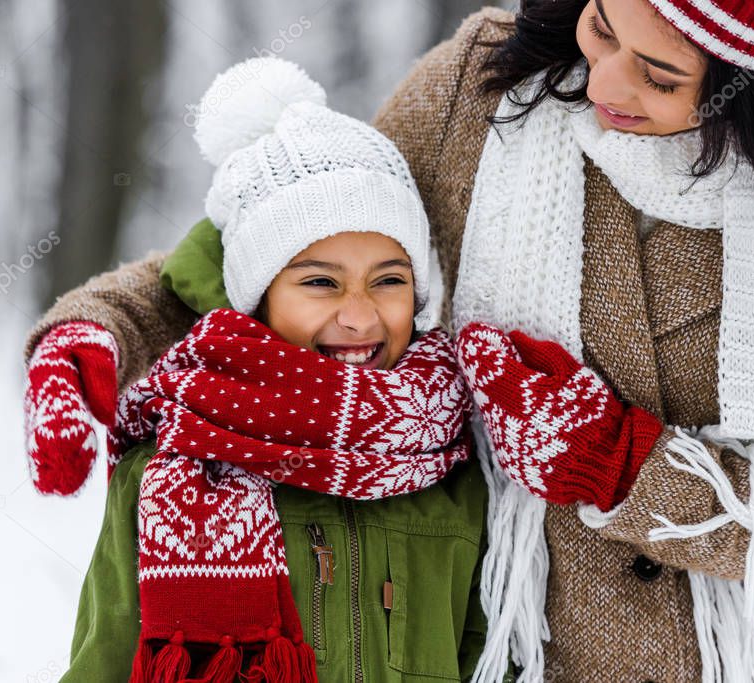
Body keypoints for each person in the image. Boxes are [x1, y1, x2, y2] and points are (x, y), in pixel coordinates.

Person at [24, 1, 754, 680]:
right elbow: (292, 238)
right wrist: (96, 332)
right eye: (599, 27)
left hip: (728, 664)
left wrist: (618, 465)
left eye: (660, 75)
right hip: (493, 648)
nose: (603, 84)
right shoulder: (487, 90)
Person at [33, 58, 493, 682]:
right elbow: (104, 662)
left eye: (389, 280)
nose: (359, 317)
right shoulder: (171, 467)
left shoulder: (456, 464)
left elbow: (488, 658)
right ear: (258, 297)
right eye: (319, 283)